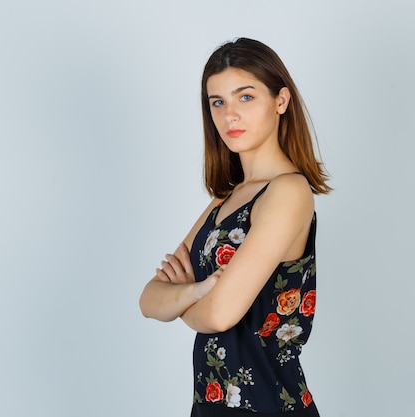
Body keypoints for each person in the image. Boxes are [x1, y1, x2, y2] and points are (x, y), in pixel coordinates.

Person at [139, 38, 331, 417]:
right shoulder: (224, 200)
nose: (230, 115)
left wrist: (181, 302)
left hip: (267, 405)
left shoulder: (289, 191)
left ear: (281, 101)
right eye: (218, 102)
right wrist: (199, 290)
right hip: (211, 406)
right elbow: (148, 299)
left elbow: (219, 315)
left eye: (245, 97)